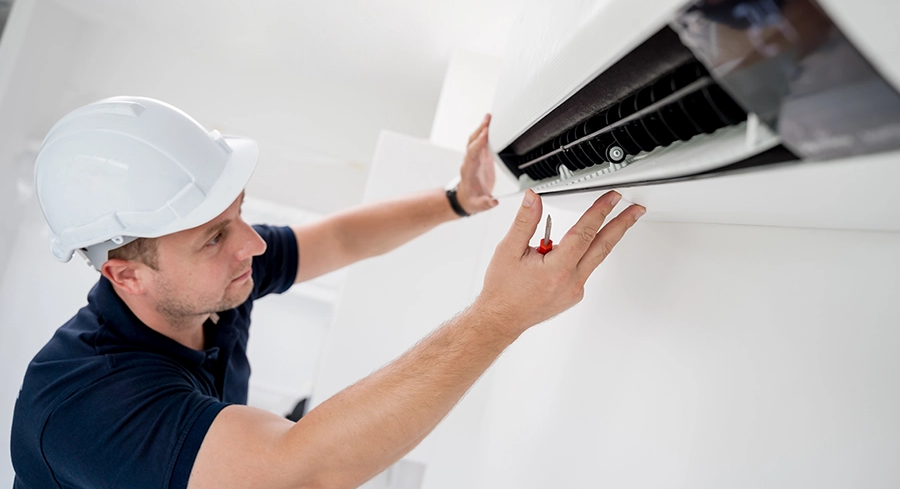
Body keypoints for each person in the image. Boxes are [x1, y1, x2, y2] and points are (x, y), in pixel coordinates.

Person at [11, 96, 645, 489]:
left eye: (239, 215)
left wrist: (457, 199)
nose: (252, 246)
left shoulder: (210, 278)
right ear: (125, 275)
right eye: (214, 237)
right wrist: (498, 317)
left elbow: (336, 241)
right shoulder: (80, 407)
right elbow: (303, 473)